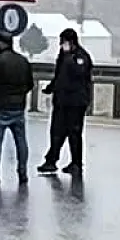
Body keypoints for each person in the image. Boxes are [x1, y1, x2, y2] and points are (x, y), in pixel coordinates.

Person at [0, 31, 36, 186]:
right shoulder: (23, 61)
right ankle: (23, 172)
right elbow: (30, 84)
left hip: (0, 107)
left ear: (0, 43)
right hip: (18, 107)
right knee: (21, 141)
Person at [39, 27, 94, 175]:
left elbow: (78, 75)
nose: (62, 45)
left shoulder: (80, 57)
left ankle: (76, 163)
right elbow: (59, 77)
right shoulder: (63, 57)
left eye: (63, 42)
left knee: (74, 133)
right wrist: (51, 88)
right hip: (62, 101)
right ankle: (51, 161)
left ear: (71, 42)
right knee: (57, 132)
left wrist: (69, 59)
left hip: (76, 102)